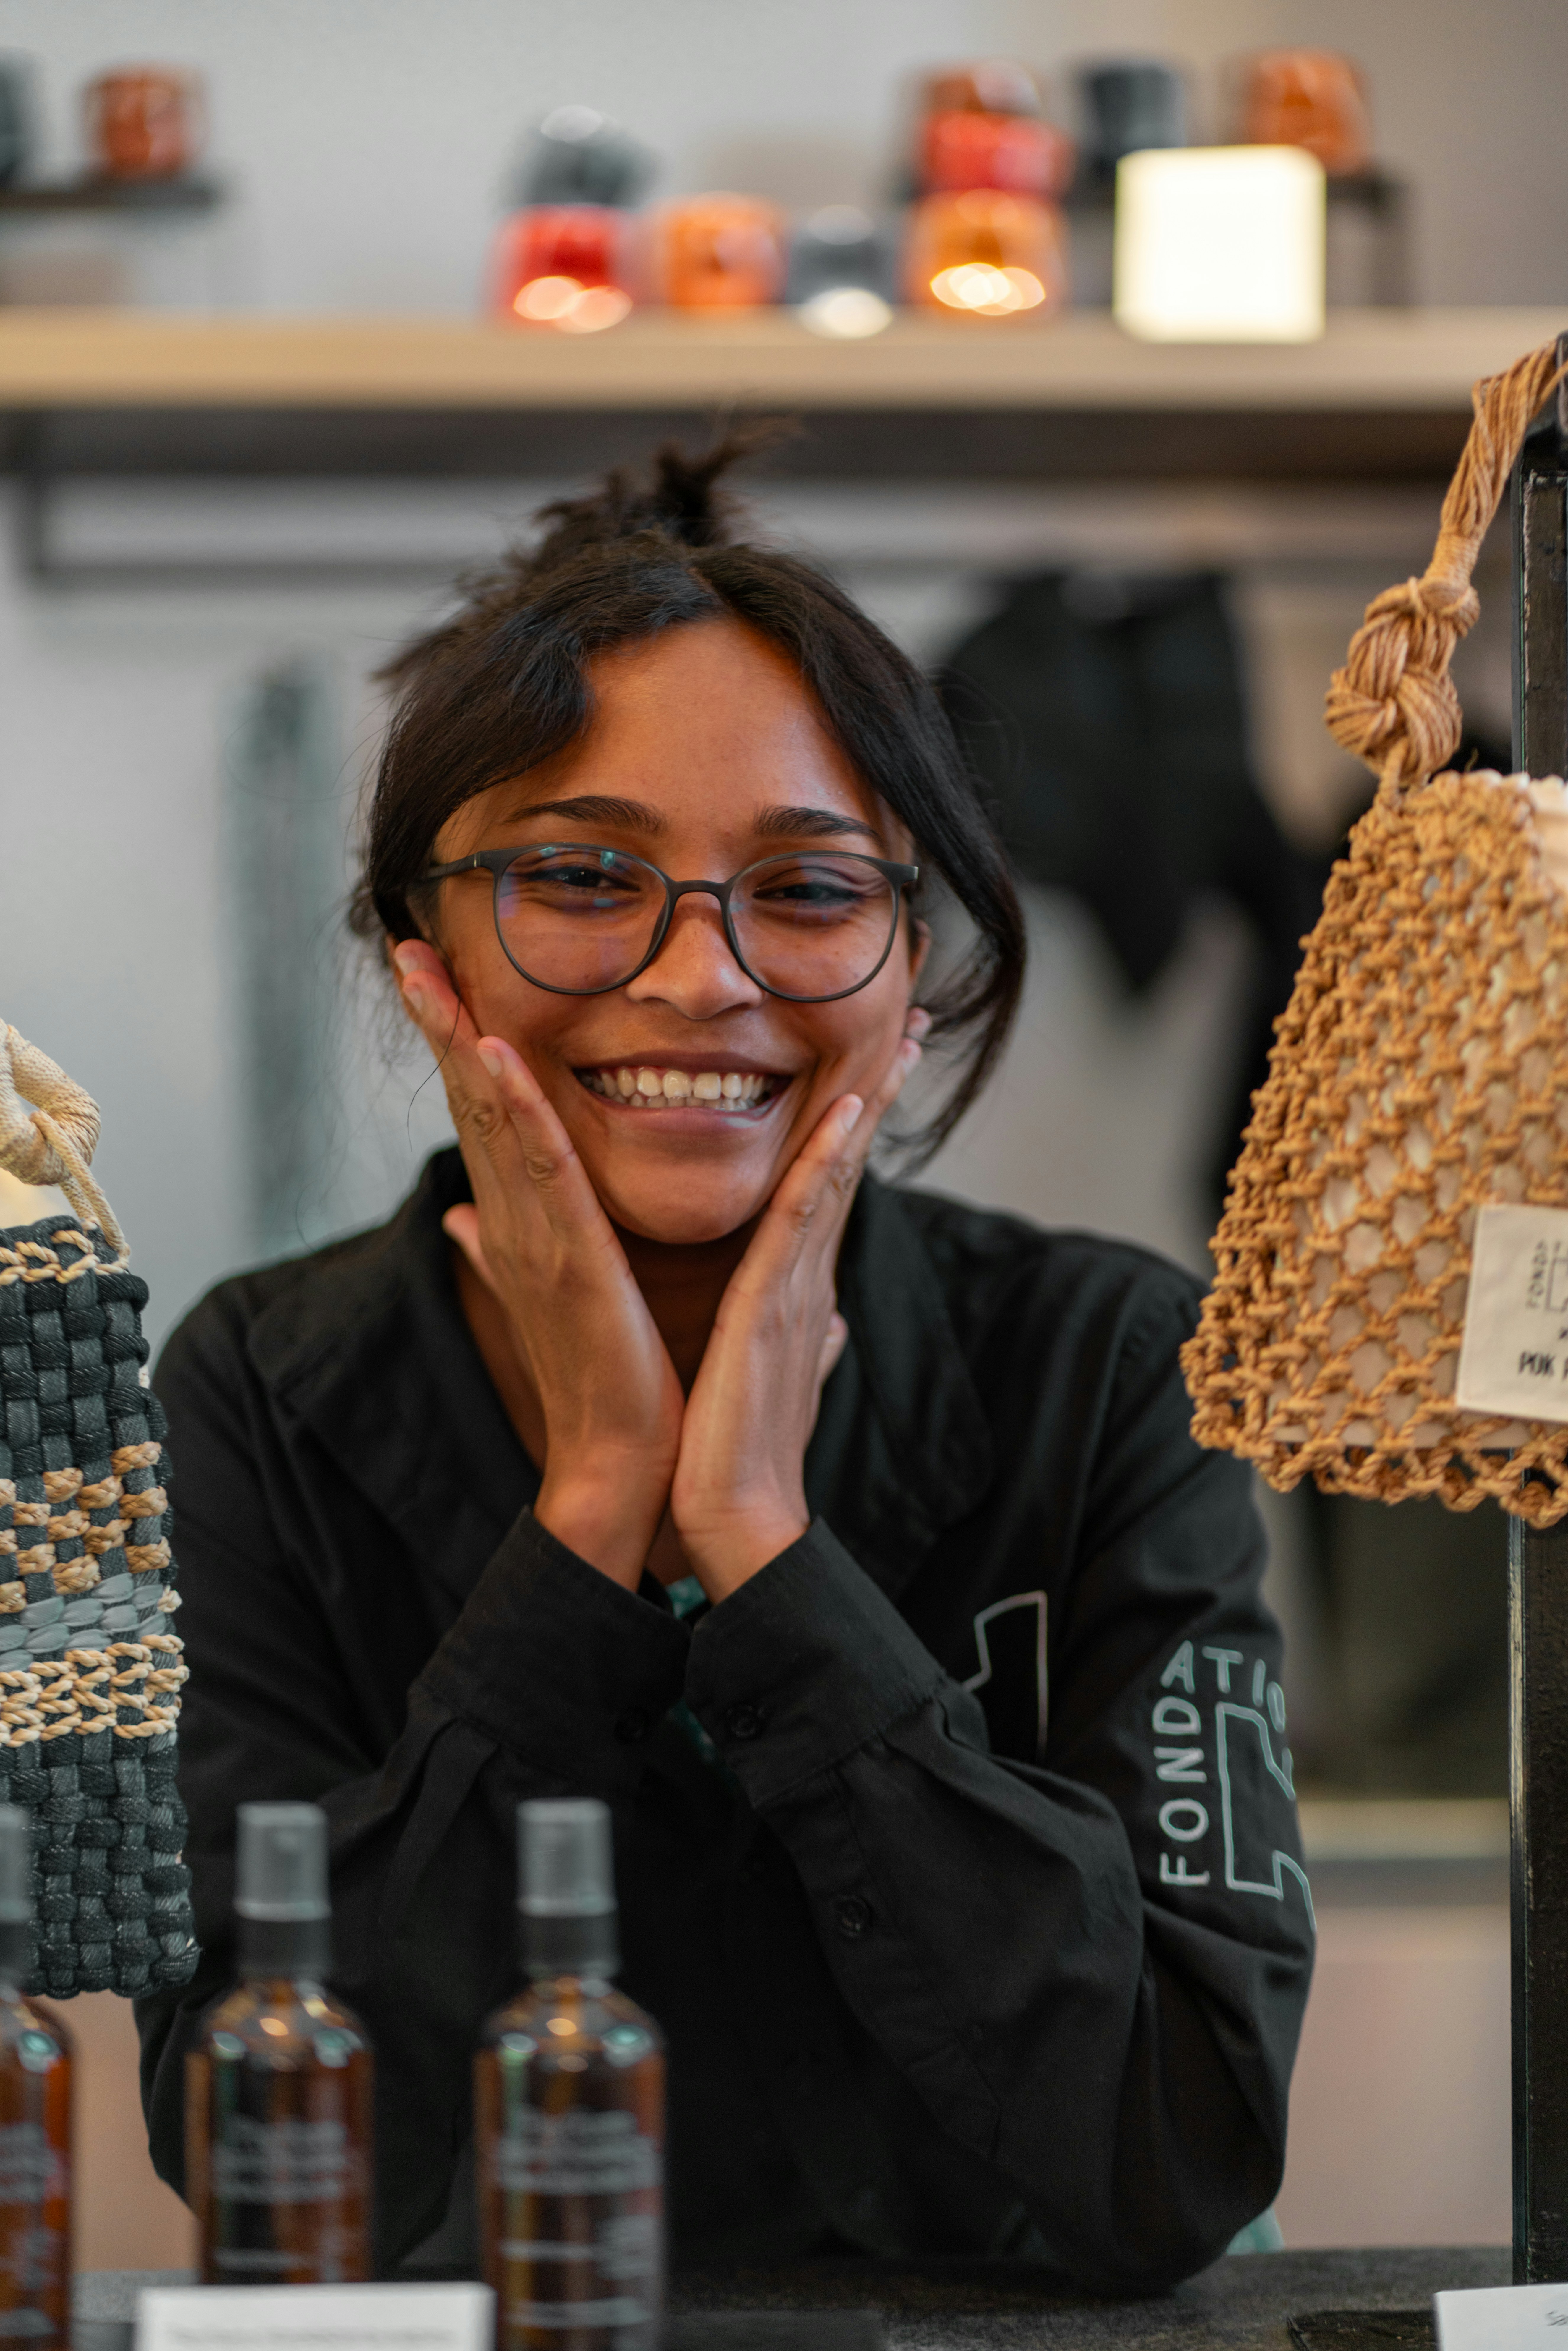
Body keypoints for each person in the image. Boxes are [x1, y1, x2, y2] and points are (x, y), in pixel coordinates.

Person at [137, 443, 1314, 2291]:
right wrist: (594, 1509)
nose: (701, 980)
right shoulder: (258, 1395)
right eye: (585, 876)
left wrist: (761, 1543)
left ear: (909, 969)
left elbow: (1171, 2145)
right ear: (419, 951)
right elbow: (272, 2155)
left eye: (810, 889)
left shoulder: (1105, 1367)